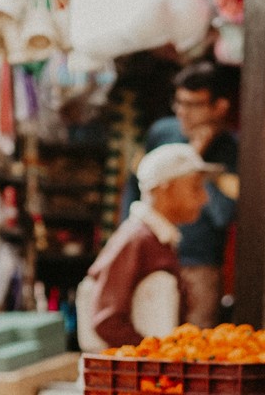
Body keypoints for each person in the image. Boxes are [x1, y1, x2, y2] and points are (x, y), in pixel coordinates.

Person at [121, 61, 238, 328]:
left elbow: (223, 215)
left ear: (219, 107)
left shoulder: (232, 150)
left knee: (192, 346)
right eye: (179, 103)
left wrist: (196, 161)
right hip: (150, 258)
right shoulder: (162, 132)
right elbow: (134, 189)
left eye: (192, 105)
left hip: (198, 264)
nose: (182, 113)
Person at [79, 143, 219, 351]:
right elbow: (106, 319)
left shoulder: (156, 238)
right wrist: (155, 355)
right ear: (165, 189)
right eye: (195, 187)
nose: (204, 198)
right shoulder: (137, 239)